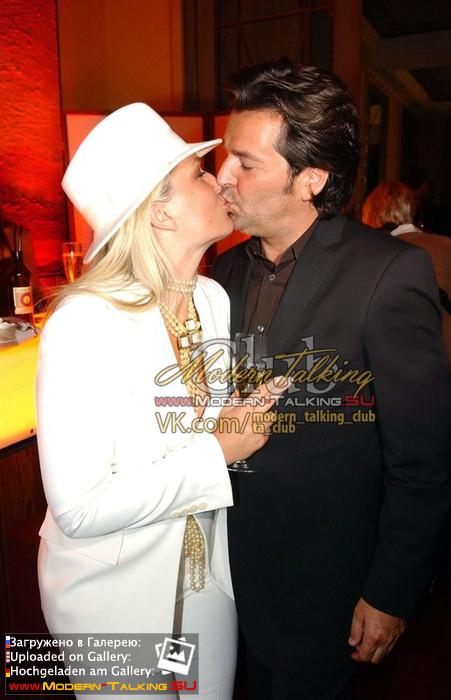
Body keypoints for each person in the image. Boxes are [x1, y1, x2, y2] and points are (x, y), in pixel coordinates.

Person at [213, 58, 451, 700]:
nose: (223, 175)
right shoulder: (222, 273)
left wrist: (391, 590)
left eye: (245, 162)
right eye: (226, 156)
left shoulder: (388, 275)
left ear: (311, 179)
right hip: (224, 585)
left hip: (325, 591)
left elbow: (422, 458)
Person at [36, 103, 281, 700]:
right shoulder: (84, 323)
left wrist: (233, 419)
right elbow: (79, 510)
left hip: (201, 577)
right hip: (109, 600)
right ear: (160, 210)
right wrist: (219, 451)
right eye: (198, 173)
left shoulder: (212, 299)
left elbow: (191, 428)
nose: (219, 180)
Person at [362, 180, 451, 361]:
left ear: (373, 214)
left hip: (403, 362)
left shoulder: (372, 252)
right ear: (411, 208)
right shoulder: (445, 244)